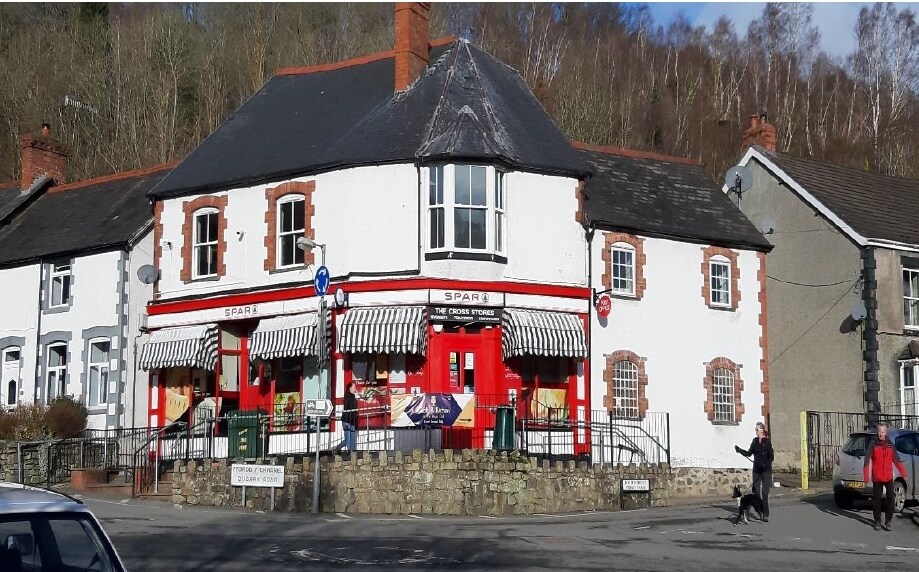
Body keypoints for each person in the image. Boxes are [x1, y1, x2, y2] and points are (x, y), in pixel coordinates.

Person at [863, 422, 907, 531]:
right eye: (879, 432)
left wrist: (903, 473)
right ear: (877, 432)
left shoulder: (890, 444)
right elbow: (867, 460)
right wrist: (866, 477)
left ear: (886, 432)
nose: (881, 434)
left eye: (883, 432)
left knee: (890, 499)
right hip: (877, 477)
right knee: (877, 500)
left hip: (888, 477)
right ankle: (877, 521)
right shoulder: (873, 443)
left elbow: (897, 460)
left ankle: (888, 521)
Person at [734, 421, 774, 522]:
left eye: (757, 429)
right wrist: (740, 450)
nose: (755, 431)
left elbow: (771, 457)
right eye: (755, 429)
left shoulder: (767, 442)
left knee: (765, 493)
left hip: (766, 470)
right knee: (755, 492)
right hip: (756, 470)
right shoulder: (755, 441)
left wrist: (766, 464)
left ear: (761, 430)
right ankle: (757, 510)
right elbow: (749, 453)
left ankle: (765, 513)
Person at [340, 383, 359, 452]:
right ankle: (349, 452)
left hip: (352, 419)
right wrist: (346, 421)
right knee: (348, 438)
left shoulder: (353, 396)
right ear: (350, 388)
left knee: (353, 437)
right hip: (347, 420)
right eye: (354, 387)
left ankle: (352, 452)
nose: (355, 389)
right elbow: (346, 409)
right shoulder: (347, 396)